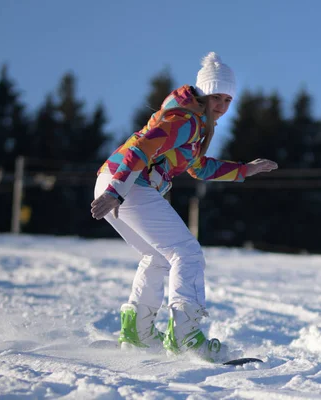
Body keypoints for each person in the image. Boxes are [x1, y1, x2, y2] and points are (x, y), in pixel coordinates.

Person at [91, 52, 278, 362]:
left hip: (116, 180)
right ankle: (186, 336)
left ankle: (137, 332)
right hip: (126, 183)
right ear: (203, 93)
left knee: (157, 256)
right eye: (216, 96)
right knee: (186, 252)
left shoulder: (191, 123)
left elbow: (198, 168)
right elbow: (140, 149)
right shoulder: (185, 121)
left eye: (227, 99)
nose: (221, 105)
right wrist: (117, 191)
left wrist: (246, 170)